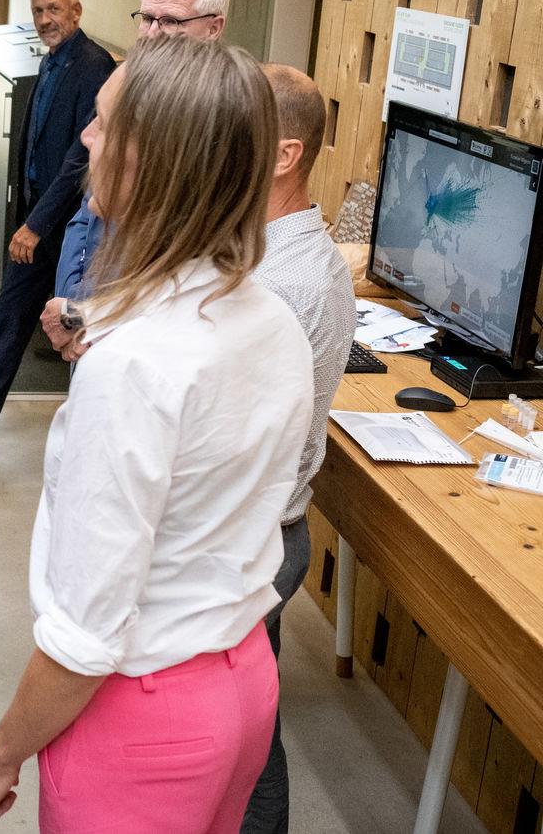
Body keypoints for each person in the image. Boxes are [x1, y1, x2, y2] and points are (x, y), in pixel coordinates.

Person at [0, 35, 314, 831]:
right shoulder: (270, 316)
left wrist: (2, 753)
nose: (86, 138)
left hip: (144, 718)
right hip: (243, 679)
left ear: (152, 162)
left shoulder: (131, 369)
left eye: (101, 122)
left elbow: (86, 636)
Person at [238, 64, 357, 834]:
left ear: (284, 155)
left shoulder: (287, 283)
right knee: (251, 722)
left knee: (246, 744)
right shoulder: (267, 251)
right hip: (260, 532)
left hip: (254, 541)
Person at [0, 0, 114, 445]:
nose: (45, 19)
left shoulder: (93, 64)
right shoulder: (51, 60)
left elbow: (81, 156)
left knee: (78, 326)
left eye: (54, 9)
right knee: (11, 314)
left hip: (70, 224)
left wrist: (36, 224)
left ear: (76, 11)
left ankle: (87, 427)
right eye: (38, 11)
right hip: (38, 217)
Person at [53, 0, 229, 302]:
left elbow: (164, 257)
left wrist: (84, 310)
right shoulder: (123, 87)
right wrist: (71, 297)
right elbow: (87, 213)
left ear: (214, 28)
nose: (151, 34)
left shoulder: (219, 124)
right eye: (147, 18)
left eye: (170, 22)